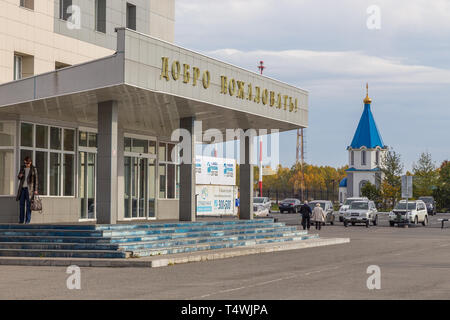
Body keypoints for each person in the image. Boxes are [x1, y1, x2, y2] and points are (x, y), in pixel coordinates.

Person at [16, 156, 39, 224]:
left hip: (30, 190)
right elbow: (19, 177)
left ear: (30, 162)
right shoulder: (23, 167)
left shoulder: (34, 169)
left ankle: (27, 221)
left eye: (27, 163)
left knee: (29, 206)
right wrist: (20, 175)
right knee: (21, 205)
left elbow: (36, 180)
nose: (26, 164)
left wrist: (36, 190)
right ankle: (21, 220)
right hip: (22, 189)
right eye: (25, 163)